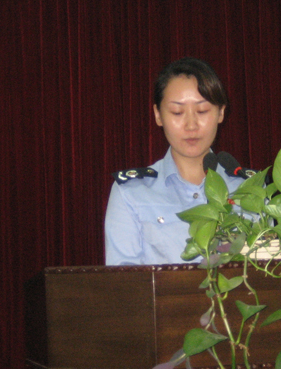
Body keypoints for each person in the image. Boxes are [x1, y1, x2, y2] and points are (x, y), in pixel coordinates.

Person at [104, 58, 246, 266]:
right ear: (158, 115)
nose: (191, 125)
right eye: (177, 112)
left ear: (221, 113)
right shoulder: (130, 193)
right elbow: (123, 282)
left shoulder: (250, 190)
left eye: (202, 111)